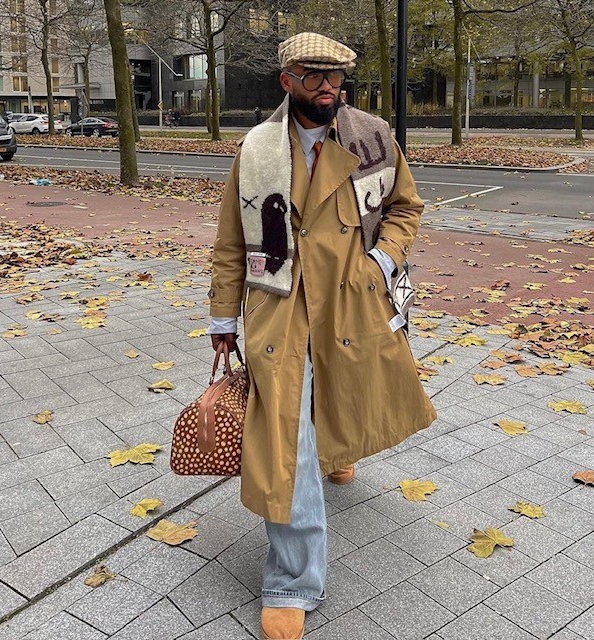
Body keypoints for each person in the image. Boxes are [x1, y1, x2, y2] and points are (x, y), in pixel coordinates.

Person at [208, 32, 436, 640]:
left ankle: (339, 453)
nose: (327, 86)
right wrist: (223, 318)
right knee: (287, 435)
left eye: (334, 76)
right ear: (287, 81)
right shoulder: (256, 148)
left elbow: (406, 208)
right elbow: (233, 239)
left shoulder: (371, 136)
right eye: (313, 76)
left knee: (339, 398)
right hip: (278, 310)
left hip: (350, 303)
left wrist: (381, 263)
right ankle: (292, 580)